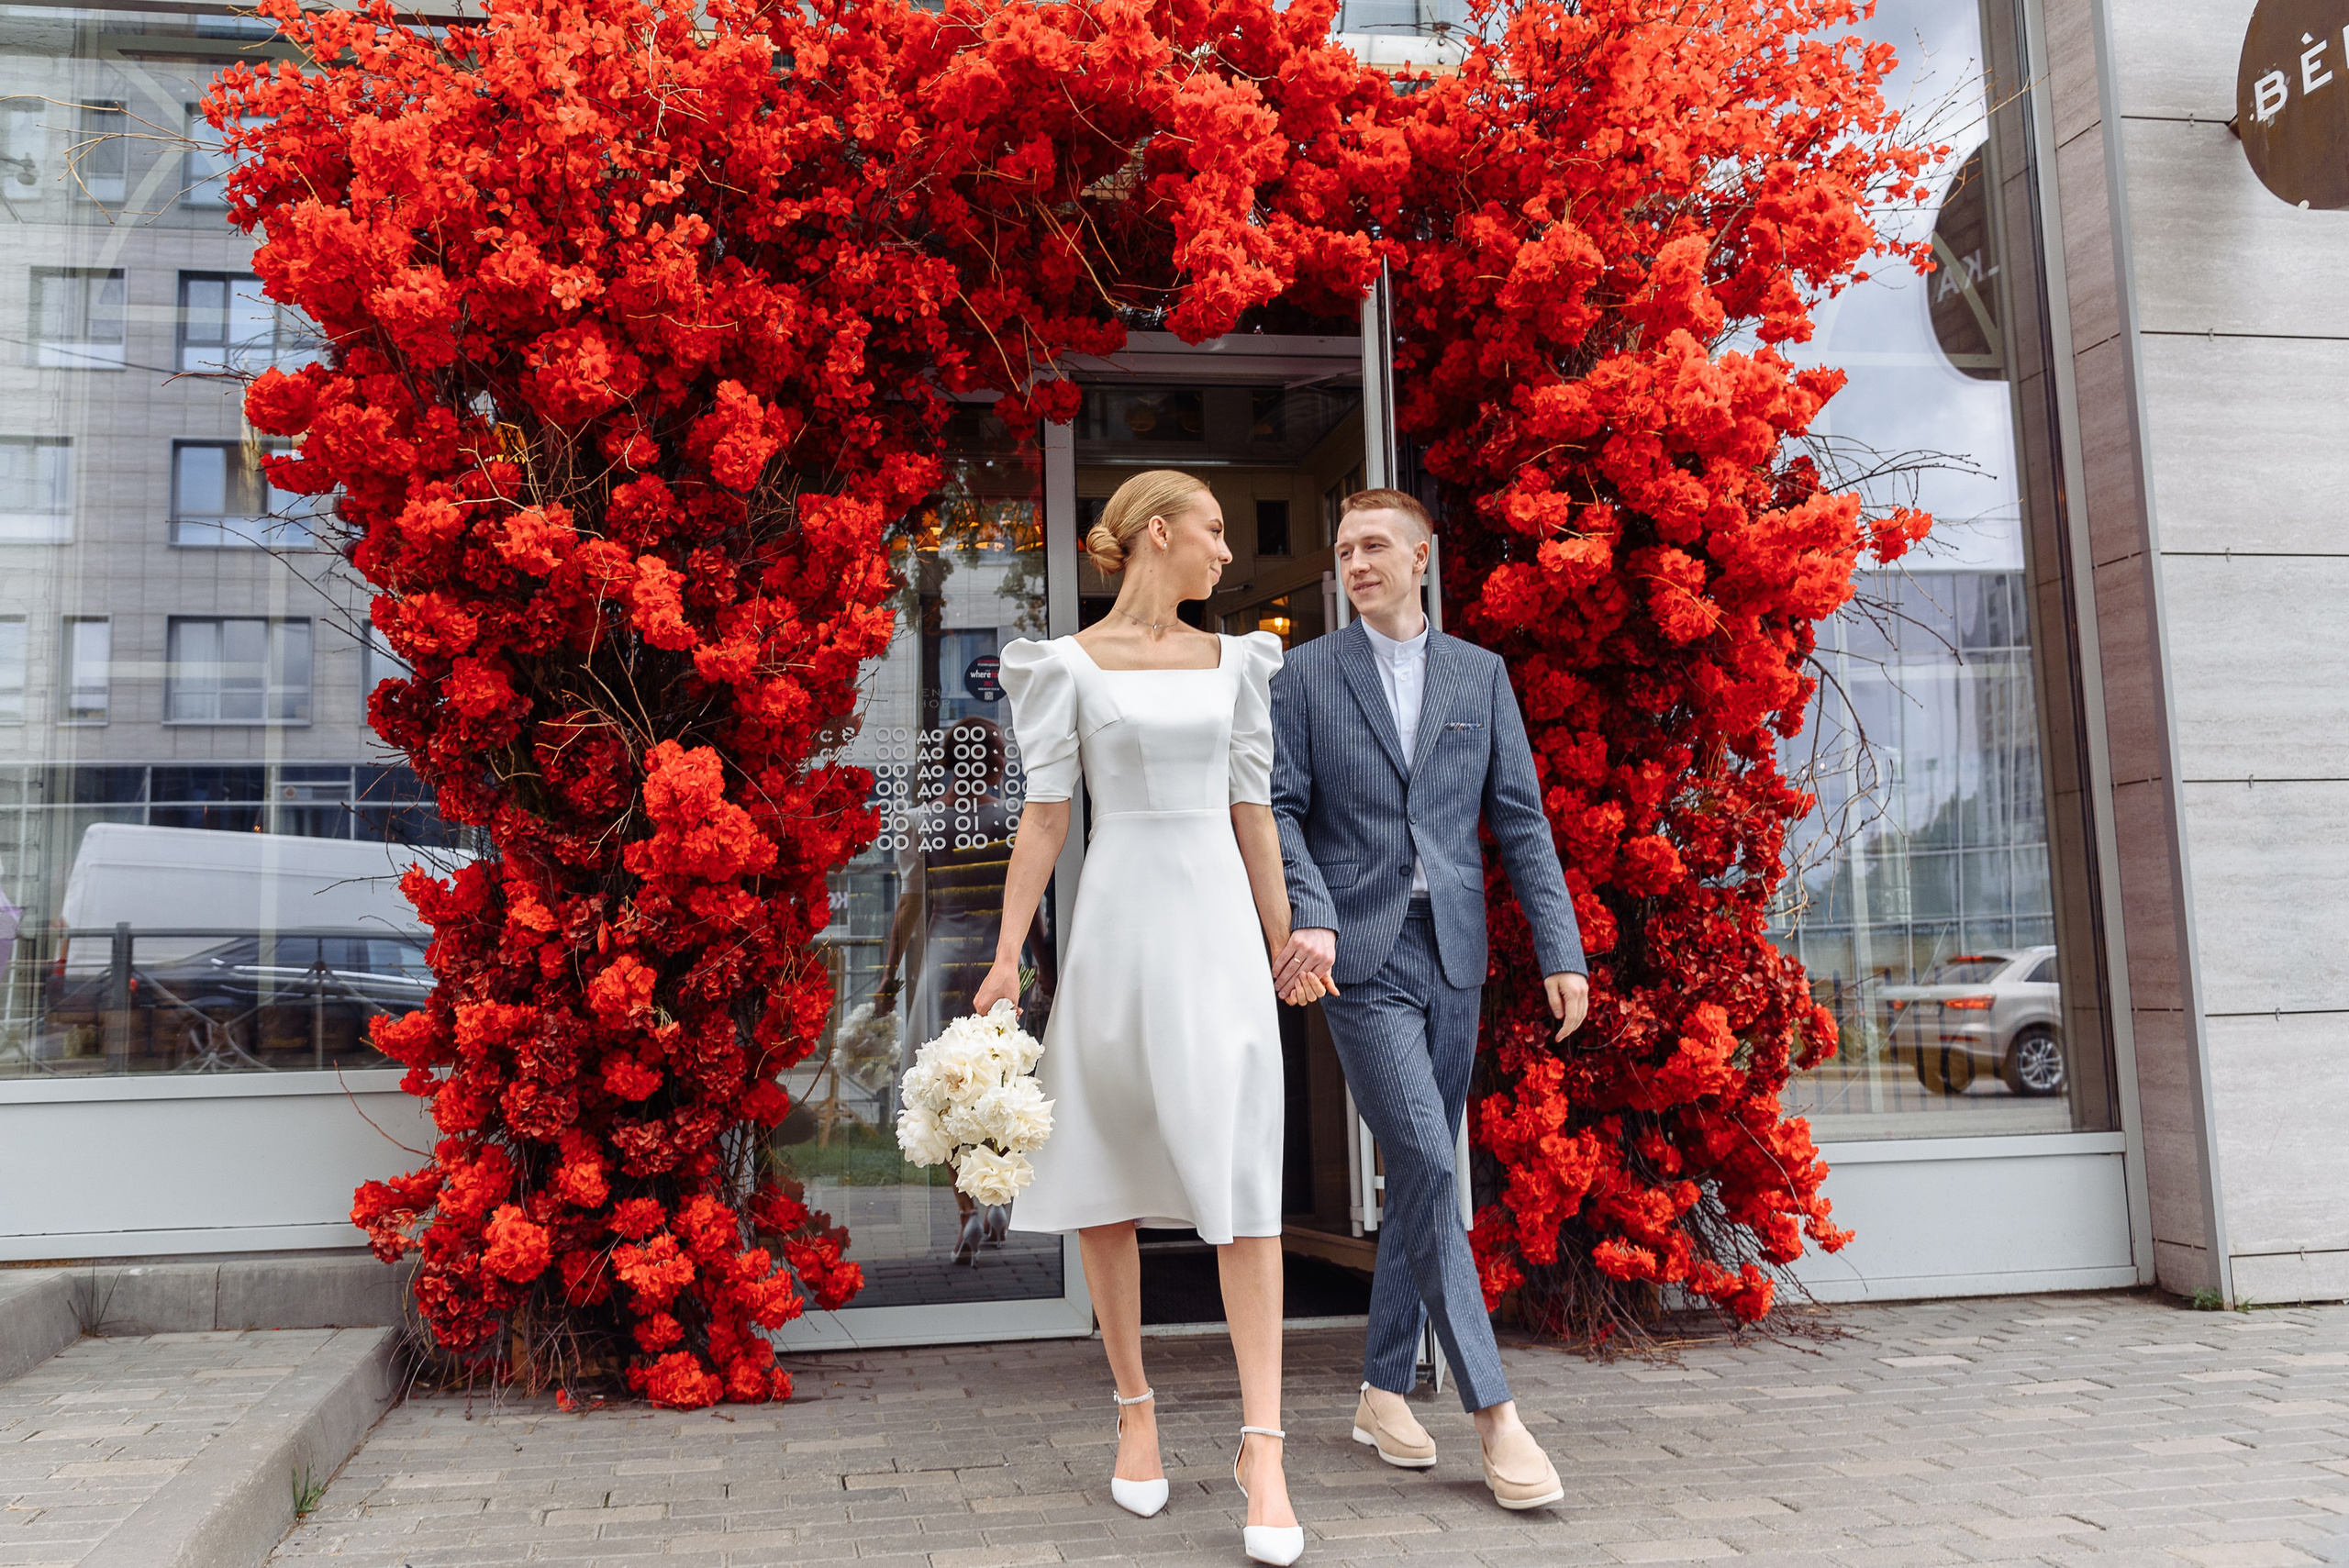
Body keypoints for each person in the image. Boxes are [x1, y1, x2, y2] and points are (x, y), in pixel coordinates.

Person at [974, 469, 1311, 1566]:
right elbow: (1044, 818)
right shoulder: (1061, 666)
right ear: (1156, 532)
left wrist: (1283, 937)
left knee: (1245, 1182)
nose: (1225, 552)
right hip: (1115, 933)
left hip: (1217, 936)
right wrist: (1003, 952)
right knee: (1107, 1177)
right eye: (1214, 530)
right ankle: (1133, 1403)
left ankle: (1264, 1450)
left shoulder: (1239, 660)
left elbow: (1252, 807)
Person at [1267, 488, 1587, 1511]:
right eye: (1344, 548)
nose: (1355, 562)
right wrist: (1307, 914)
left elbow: (1521, 824)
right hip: (1357, 955)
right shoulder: (1308, 674)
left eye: (1373, 546)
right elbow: (1276, 805)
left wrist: (1560, 948)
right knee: (1426, 1157)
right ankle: (1495, 1414)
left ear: (1420, 558)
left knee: (1416, 1173)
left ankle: (1376, 1387)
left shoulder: (1477, 675)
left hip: (1453, 950)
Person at [874, 714, 1052, 1265]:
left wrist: (887, 979)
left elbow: (910, 903)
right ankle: (998, 1196)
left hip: (946, 957)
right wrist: (1043, 969)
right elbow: (1034, 913)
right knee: (1001, 1078)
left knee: (947, 1085)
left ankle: (967, 1213)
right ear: (995, 762)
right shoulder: (1014, 819)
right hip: (1000, 958)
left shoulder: (922, 821)